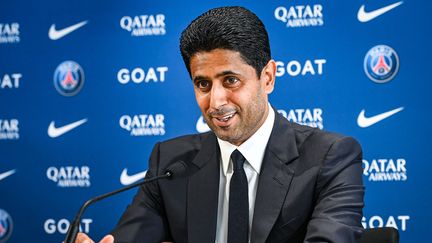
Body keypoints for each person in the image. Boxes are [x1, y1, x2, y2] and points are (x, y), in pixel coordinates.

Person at [77, 6, 364, 243]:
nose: (215, 102)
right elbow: (133, 237)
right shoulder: (170, 163)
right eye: (202, 84)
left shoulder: (330, 157)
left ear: (267, 78)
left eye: (230, 80)